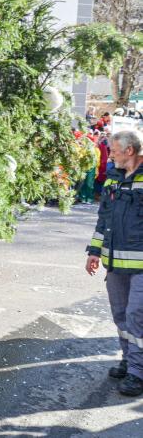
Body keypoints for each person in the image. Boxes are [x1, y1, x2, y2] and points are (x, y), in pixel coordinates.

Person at [86, 130, 143, 397]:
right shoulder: (113, 179)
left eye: (115, 151)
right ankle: (129, 358)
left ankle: (138, 372)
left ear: (129, 151)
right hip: (115, 263)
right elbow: (103, 219)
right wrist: (94, 251)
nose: (111, 155)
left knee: (136, 316)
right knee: (120, 314)